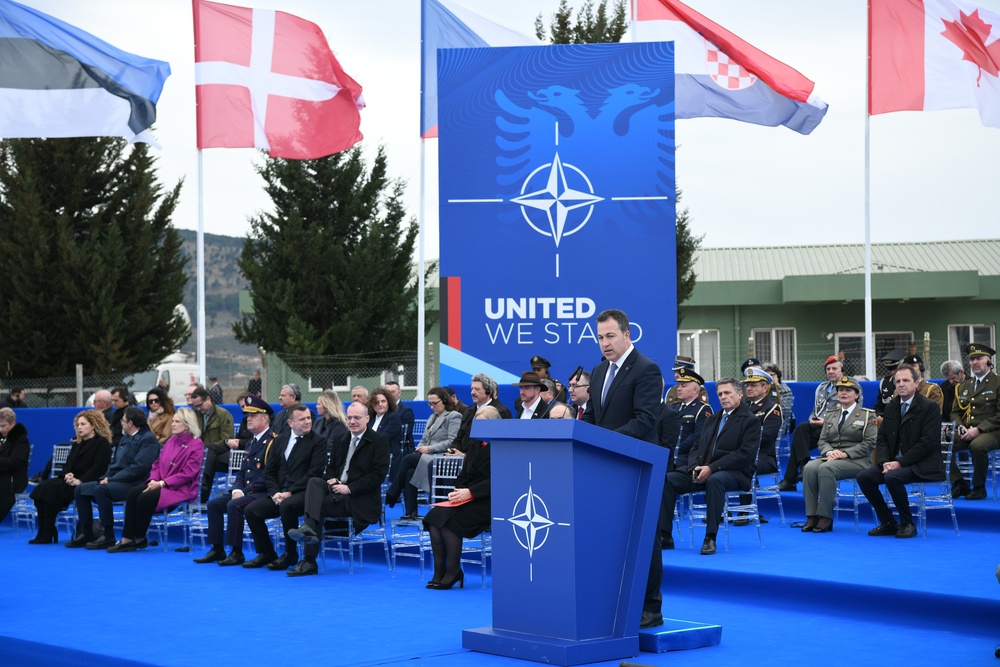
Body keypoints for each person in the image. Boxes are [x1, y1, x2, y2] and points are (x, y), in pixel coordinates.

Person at [580, 309, 663, 629]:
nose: (604, 343)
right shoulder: (599, 371)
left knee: (644, 537)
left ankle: (650, 607)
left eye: (610, 336)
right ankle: (613, 600)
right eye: (600, 337)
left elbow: (645, 420)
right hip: (605, 467)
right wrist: (580, 434)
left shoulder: (647, 369)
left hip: (636, 466)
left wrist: (601, 440)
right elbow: (592, 415)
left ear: (627, 335)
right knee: (609, 535)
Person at [286, 401, 390, 576]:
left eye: (357, 417)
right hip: (336, 493)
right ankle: (309, 530)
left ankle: (309, 558)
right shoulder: (341, 439)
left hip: (360, 499)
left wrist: (348, 488)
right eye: (349, 417)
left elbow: (377, 476)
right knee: (315, 482)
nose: (352, 421)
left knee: (316, 506)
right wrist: (331, 480)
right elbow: (332, 468)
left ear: (367, 418)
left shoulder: (379, 441)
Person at [661, 378, 760, 555]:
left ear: (739, 394)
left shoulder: (750, 420)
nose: (723, 397)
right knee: (668, 480)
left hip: (734, 473)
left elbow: (744, 454)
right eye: (720, 394)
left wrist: (712, 468)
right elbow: (696, 447)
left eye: (728, 393)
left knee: (715, 481)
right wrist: (694, 467)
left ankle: (710, 537)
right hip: (702, 470)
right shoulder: (713, 419)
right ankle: (665, 535)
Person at [858, 364, 944, 538]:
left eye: (906, 380)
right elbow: (882, 439)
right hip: (894, 463)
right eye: (898, 381)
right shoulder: (891, 407)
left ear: (916, 383)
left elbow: (928, 443)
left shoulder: (929, 407)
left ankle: (907, 523)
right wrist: (883, 462)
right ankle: (888, 522)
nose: (901, 384)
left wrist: (899, 463)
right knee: (865, 477)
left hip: (922, 464)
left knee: (892, 477)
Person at [241, 403, 326, 570]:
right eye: (302, 419)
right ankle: (266, 552)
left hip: (304, 493)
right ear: (290, 423)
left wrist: (289, 492)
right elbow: (270, 471)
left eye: (309, 418)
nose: (307, 422)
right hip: (279, 494)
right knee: (251, 511)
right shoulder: (279, 440)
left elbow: (314, 473)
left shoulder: (318, 442)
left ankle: (290, 554)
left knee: (287, 506)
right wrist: (275, 493)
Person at [422, 405, 499, 589]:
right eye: (476, 424)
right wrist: (458, 492)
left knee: (450, 522)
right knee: (434, 517)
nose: (478, 428)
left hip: (489, 501)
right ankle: (439, 571)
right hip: (468, 496)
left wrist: (471, 493)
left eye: (482, 424)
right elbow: (464, 474)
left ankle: (453, 570)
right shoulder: (474, 444)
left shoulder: (501, 446)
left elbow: (498, 478)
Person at [107, 408, 205, 552]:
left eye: (177, 421)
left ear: (187, 424)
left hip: (181, 488)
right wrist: (153, 480)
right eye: (173, 421)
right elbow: (157, 464)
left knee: (144, 498)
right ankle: (128, 538)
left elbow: (189, 473)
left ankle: (139, 538)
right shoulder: (172, 440)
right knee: (133, 493)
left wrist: (161, 483)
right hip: (161, 483)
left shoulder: (196, 444)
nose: (172, 424)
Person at [194, 395, 275, 565]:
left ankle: (236, 551)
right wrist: (237, 489)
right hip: (247, 490)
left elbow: (268, 475)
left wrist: (244, 492)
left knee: (234, 505)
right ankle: (217, 549)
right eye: (247, 415)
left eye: (253, 415)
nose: (248, 419)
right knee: (214, 504)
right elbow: (242, 472)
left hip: (263, 492)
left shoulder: (272, 442)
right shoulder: (253, 442)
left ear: (265, 418)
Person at [66, 407, 158, 549]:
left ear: (130, 423)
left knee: (102, 490)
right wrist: (106, 477)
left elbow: (138, 468)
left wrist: (111, 480)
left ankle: (108, 535)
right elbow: (114, 464)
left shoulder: (148, 439)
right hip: (117, 480)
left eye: (123, 420)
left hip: (134, 483)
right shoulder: (125, 438)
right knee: (80, 489)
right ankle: (87, 532)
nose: (121, 423)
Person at [800, 377, 876, 533]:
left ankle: (825, 516)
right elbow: (822, 440)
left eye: (848, 390)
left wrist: (844, 453)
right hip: (831, 456)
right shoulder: (831, 415)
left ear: (856, 394)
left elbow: (869, 444)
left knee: (826, 469)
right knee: (809, 468)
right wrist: (829, 451)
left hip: (856, 460)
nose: (843, 393)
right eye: (840, 390)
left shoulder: (867, 415)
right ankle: (811, 515)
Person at [28, 410, 111, 544]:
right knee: (44, 487)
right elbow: (67, 464)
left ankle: (48, 531)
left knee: (51, 490)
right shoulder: (77, 443)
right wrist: (68, 474)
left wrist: (80, 480)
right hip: (69, 480)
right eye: (78, 425)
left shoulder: (102, 443)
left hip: (88, 481)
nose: (79, 427)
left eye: (83, 424)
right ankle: (44, 530)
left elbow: (99, 468)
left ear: (93, 425)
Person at [779, 355, 860, 491]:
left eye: (834, 368)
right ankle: (804, 466)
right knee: (802, 430)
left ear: (842, 371)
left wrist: (827, 421)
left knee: (798, 442)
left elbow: (855, 414)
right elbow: (816, 410)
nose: (831, 371)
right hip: (821, 430)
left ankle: (790, 480)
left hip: (840, 432)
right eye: (828, 369)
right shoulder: (821, 388)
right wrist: (813, 419)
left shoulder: (852, 387)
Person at [385, 387, 462, 519]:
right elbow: (424, 439)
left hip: (442, 457)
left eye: (434, 403)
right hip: (428, 455)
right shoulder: (432, 417)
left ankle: (393, 493)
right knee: (409, 471)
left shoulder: (453, 416)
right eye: (429, 404)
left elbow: (451, 441)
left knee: (408, 459)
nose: (431, 407)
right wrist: (420, 448)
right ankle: (411, 512)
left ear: (444, 401)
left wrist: (429, 449)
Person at [950, 343, 999, 500]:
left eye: (978, 358)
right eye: (972, 359)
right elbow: (955, 412)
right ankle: (960, 483)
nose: (974, 362)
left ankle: (979, 488)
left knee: (977, 446)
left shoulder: (997, 383)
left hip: (992, 430)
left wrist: (978, 429)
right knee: (939, 443)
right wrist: (960, 426)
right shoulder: (965, 386)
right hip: (967, 430)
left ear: (988, 361)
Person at [189, 386, 236, 502]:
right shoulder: (195, 416)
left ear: (208, 399)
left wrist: (206, 448)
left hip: (222, 450)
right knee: (209, 460)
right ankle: (200, 497)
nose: (198, 409)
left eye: (200, 405)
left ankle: (201, 491)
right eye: (196, 406)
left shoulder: (223, 414)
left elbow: (227, 439)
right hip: (205, 455)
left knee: (208, 452)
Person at [0, 407, 30, 524]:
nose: (0, 429)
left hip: (13, 480)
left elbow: (15, 462)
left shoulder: (21, 440)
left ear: (12, 423)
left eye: (3, 426)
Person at [313, 390, 349, 455]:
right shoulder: (318, 421)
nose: (316, 406)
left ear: (327, 406)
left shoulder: (339, 424)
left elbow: (330, 447)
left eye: (319, 404)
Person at [386, 381, 415, 453]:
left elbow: (403, 434)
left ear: (399, 392)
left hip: (401, 449)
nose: (389, 395)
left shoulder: (406, 411)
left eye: (393, 392)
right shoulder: (380, 410)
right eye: (387, 392)